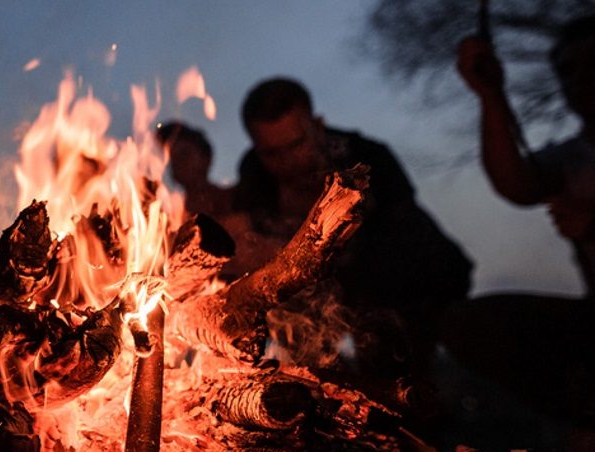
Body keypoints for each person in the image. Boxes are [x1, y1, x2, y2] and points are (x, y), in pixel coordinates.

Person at [233, 77, 472, 376]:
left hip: (416, 289)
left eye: (296, 145)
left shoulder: (368, 158)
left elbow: (402, 242)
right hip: (321, 304)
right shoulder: (254, 172)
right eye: (272, 153)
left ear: (317, 126)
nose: (286, 161)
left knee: (396, 362)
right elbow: (249, 239)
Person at [450, 14, 595, 417]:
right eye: (568, 71)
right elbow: (516, 183)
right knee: (471, 324)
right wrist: (490, 95)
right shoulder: (573, 158)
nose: (579, 80)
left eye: (591, 65)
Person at [156, 121, 285, 278]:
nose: (179, 164)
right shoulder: (174, 219)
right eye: (172, 159)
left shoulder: (240, 197)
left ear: (206, 157)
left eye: (184, 155)